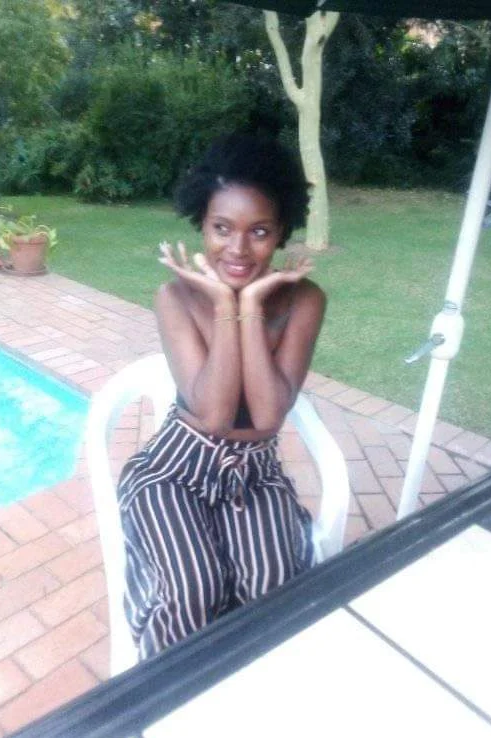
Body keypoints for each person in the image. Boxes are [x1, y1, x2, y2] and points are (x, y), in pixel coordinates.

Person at [117, 131, 326, 660]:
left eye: (259, 231)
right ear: (202, 225)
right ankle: (170, 695)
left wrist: (248, 303)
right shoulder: (174, 296)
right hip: (173, 470)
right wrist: (221, 301)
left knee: (273, 592)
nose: (237, 249)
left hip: (256, 474)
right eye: (222, 228)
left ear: (282, 233)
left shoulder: (304, 300)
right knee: (191, 589)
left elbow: (268, 415)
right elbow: (212, 414)